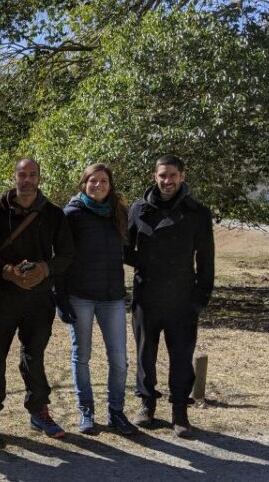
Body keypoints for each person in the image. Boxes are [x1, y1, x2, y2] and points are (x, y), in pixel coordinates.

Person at [0, 158, 74, 444]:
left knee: (35, 356)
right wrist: (8, 272)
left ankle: (38, 411)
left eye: (32, 175)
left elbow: (66, 255)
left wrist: (44, 269)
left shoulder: (54, 214)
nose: (27, 180)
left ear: (39, 178)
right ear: (14, 176)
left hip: (39, 298)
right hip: (3, 298)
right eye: (22, 174)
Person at [125, 154, 214, 438]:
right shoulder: (138, 210)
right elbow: (125, 249)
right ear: (155, 176)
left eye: (173, 175)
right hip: (146, 296)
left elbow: (206, 259)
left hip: (182, 298)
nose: (167, 181)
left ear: (182, 176)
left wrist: (200, 298)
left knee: (181, 356)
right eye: (162, 175)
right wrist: (145, 264)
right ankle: (147, 404)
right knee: (144, 355)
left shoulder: (197, 212)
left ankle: (179, 411)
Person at [57, 164, 137, 436]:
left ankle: (116, 411)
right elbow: (61, 259)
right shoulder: (71, 215)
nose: (98, 185)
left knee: (119, 359)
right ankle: (86, 411)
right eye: (93, 181)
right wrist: (60, 298)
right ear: (84, 184)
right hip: (80, 296)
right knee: (82, 356)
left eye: (104, 181)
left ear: (110, 185)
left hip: (112, 297)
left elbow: (129, 252)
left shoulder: (118, 213)